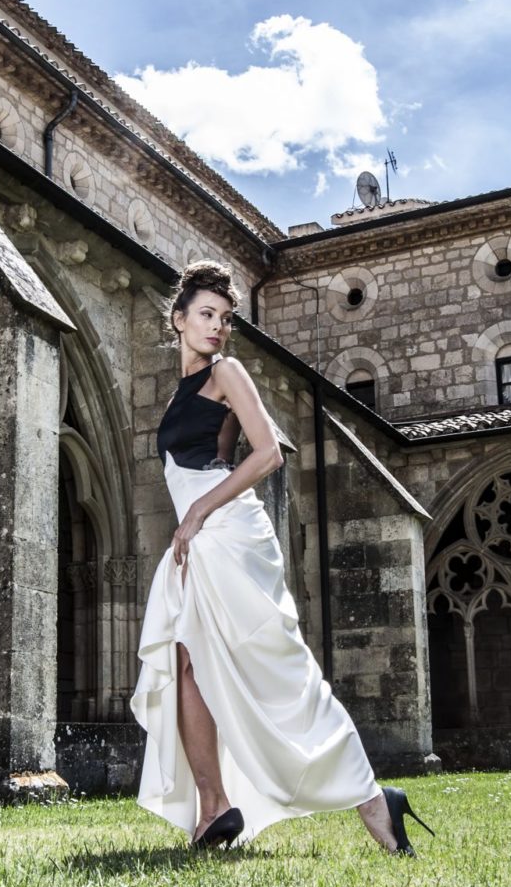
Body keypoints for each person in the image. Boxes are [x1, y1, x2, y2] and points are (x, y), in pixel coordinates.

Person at [130, 261, 434, 854]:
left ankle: (375, 800)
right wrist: (190, 522)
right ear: (179, 319)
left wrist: (197, 513)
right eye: (206, 314)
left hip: (228, 532)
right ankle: (214, 808)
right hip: (197, 539)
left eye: (225, 318)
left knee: (279, 670)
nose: (217, 326)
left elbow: (268, 452)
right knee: (186, 662)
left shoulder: (227, 371)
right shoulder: (178, 394)